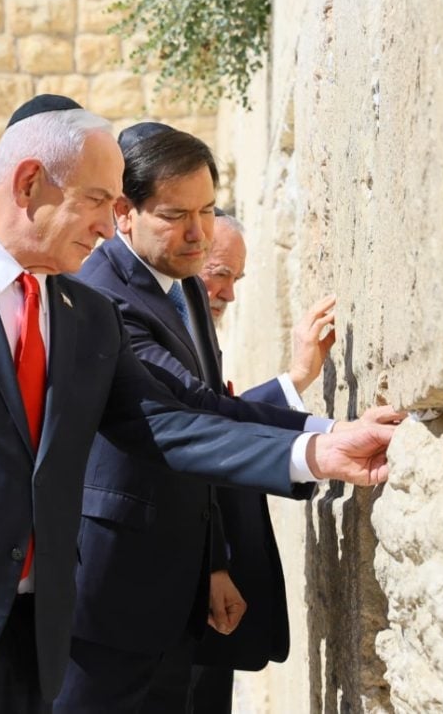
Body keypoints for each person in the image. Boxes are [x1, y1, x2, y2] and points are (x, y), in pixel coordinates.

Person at [0, 95, 397, 713]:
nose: (108, 225)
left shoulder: (86, 313)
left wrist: (316, 450)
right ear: (29, 183)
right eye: (97, 200)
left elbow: (167, 423)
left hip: (29, 649)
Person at [56, 127, 399, 713]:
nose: (199, 233)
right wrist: (322, 442)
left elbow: (210, 406)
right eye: (175, 215)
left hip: (180, 592)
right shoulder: (102, 298)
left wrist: (214, 562)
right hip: (113, 592)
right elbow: (191, 412)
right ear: (124, 213)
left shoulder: (183, 282)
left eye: (208, 211)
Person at [192, 210, 342, 712]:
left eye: (237, 279)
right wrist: (212, 566)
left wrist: (295, 379)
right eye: (219, 274)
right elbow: (195, 442)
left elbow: (219, 418)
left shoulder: (193, 336)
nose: (229, 294)